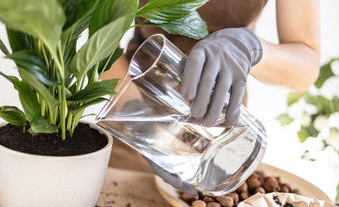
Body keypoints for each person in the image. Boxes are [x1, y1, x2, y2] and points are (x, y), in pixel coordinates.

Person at [102, 0, 320, 176]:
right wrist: (140, 118)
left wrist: (250, 47)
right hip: (132, 103)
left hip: (217, 124)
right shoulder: (135, 115)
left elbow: (305, 67)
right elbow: (95, 38)